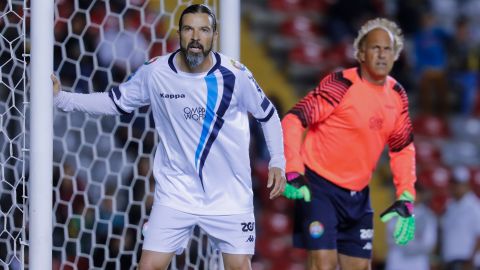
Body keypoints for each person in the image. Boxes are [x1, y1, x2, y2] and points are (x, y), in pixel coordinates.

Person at [51, 4, 286, 270]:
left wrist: (277, 159)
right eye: (189, 29)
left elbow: (268, 115)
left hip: (228, 193)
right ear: (180, 34)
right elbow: (115, 102)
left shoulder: (235, 75)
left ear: (214, 36)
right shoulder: (156, 72)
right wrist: (63, 98)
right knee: (149, 265)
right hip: (177, 192)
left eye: (203, 30)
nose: (196, 37)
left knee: (238, 267)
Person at [281, 18, 417, 270]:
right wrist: (293, 169)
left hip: (358, 195)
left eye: (387, 49)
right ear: (361, 53)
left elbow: (402, 148)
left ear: (396, 55)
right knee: (324, 263)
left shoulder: (397, 95)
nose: (381, 54)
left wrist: (406, 195)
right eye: (375, 48)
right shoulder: (340, 85)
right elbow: (293, 119)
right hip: (319, 186)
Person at [385, 183, 437, 270]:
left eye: (416, 193)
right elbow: (390, 238)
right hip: (397, 260)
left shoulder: (428, 216)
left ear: (421, 195)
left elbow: (429, 243)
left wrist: (411, 247)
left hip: (417, 262)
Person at [440, 166, 480, 270]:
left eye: (458, 183)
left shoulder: (475, 206)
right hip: (449, 259)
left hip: (467, 261)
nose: (455, 187)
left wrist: (471, 260)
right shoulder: (450, 205)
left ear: (467, 185)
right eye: (453, 183)